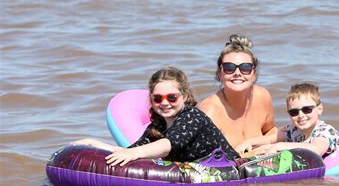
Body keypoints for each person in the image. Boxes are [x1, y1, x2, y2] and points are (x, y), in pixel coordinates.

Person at [74, 67, 239, 166]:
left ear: (185, 97)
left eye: (172, 97)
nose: (165, 103)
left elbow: (169, 145)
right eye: (158, 98)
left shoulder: (192, 117)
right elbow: (130, 151)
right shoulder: (157, 126)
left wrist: (134, 154)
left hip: (228, 168)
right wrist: (92, 144)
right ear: (151, 100)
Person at [198, 33, 277, 149]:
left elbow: (270, 130)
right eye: (229, 67)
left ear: (254, 74)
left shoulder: (263, 96)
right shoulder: (208, 111)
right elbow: (207, 159)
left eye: (245, 68)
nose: (237, 73)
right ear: (220, 74)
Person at [235, 83, 339, 158]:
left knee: (274, 147)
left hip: (327, 165)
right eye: (294, 112)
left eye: (307, 109)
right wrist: (248, 142)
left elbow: (316, 150)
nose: (301, 115)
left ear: (320, 109)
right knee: (266, 147)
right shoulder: (294, 130)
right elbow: (270, 139)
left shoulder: (325, 132)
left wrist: (280, 146)